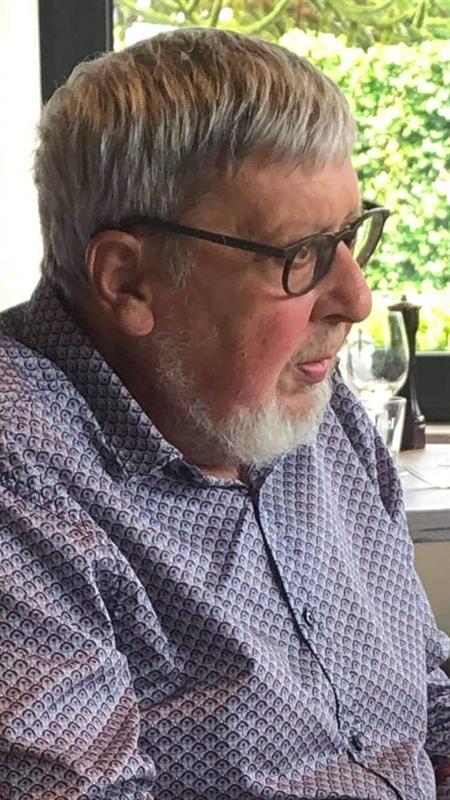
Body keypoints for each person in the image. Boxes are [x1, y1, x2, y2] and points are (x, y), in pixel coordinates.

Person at [0, 27, 449, 800]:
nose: (356, 299)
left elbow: (426, 699)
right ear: (128, 279)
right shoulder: (22, 471)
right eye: (301, 254)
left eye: (350, 236)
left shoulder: (313, 408)